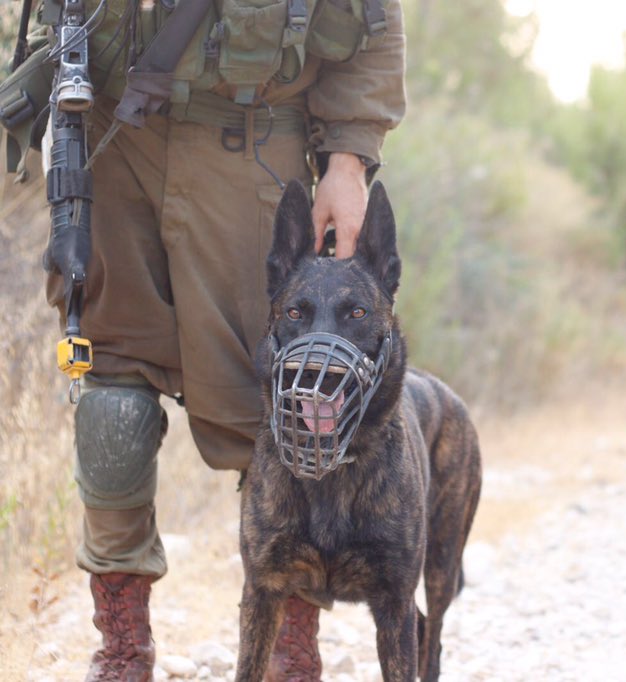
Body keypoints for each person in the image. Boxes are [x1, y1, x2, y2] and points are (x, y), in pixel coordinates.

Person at [14, 0, 406, 678]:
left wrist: (349, 158)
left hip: (253, 141)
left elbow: (371, 20)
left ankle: (290, 641)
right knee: (113, 402)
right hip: (113, 133)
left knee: (296, 392)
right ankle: (123, 644)